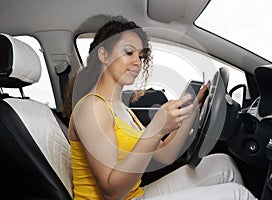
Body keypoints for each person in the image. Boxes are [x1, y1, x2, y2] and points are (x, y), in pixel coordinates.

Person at [68, 16, 257, 200]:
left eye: (141, 56)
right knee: (237, 195)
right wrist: (155, 130)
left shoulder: (121, 109)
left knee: (222, 164)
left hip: (134, 195)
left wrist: (193, 110)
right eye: (129, 52)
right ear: (103, 55)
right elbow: (112, 192)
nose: (138, 62)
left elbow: (165, 154)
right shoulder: (91, 108)